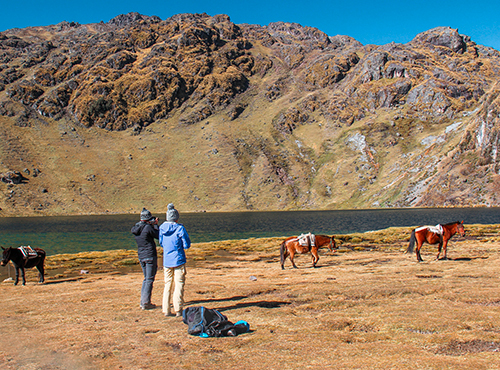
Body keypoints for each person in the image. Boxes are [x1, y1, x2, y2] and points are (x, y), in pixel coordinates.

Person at [159, 203, 191, 317]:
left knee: (167, 284)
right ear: (176, 218)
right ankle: (178, 309)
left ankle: (166, 310)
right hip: (178, 260)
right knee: (179, 284)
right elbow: (186, 244)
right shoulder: (180, 228)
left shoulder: (162, 228)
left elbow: (161, 242)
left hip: (167, 260)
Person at [131, 208, 159, 310]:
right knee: (149, 279)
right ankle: (146, 302)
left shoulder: (136, 228)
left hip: (141, 255)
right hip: (150, 255)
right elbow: (158, 235)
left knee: (146, 279)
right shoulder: (147, 228)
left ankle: (143, 301)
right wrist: (155, 225)